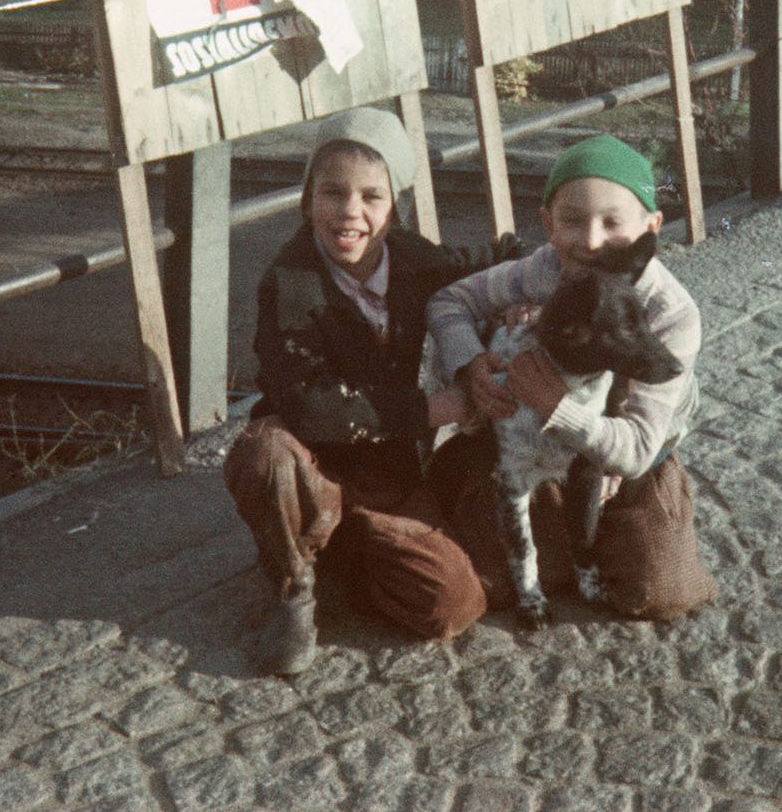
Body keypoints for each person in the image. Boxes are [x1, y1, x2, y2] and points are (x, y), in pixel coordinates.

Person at [222, 108, 503, 676]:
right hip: (313, 457)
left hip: (386, 473)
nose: (350, 212)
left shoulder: (414, 260)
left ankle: (346, 555)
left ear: (393, 207)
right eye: (332, 193)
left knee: (453, 604)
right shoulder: (289, 279)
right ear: (307, 201)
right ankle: (295, 586)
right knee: (264, 451)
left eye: (371, 197)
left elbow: (493, 263)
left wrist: (524, 292)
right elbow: (309, 404)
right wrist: (430, 407)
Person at [425, 135, 715, 622]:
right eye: (573, 220)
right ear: (548, 224)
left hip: (624, 457)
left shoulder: (671, 311)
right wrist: (471, 362)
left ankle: (601, 523)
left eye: (612, 222)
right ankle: (483, 479)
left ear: (651, 226)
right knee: (492, 582)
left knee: (659, 590)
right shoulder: (541, 271)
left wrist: (557, 404)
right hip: (539, 448)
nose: (592, 241)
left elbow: (639, 447)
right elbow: (449, 301)